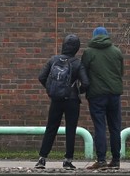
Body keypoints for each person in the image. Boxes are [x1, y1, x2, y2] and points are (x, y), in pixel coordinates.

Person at [35, 34, 89, 170]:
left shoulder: (53, 60)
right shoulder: (77, 63)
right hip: (72, 101)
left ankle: (42, 159)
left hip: (56, 100)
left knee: (51, 128)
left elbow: (41, 76)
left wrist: (51, 89)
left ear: (63, 46)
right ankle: (67, 160)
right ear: (76, 48)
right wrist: (78, 91)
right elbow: (86, 83)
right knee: (71, 129)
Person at [81, 26, 125, 170]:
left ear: (94, 36)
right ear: (107, 36)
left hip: (96, 95)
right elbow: (121, 72)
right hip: (114, 94)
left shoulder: (88, 52)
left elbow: (84, 74)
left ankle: (101, 160)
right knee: (115, 127)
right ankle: (116, 160)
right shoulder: (116, 51)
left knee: (100, 126)